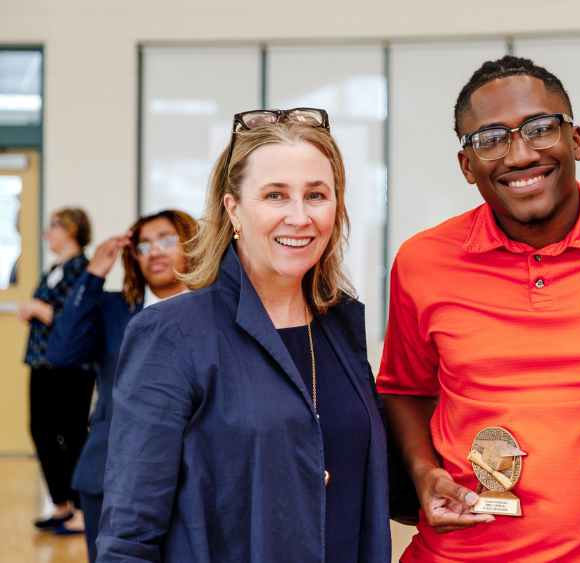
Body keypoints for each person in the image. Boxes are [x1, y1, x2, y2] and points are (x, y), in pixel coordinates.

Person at [377, 56, 580, 562]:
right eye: (491, 139)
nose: (520, 154)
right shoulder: (422, 262)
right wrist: (421, 472)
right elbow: (404, 389)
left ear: (577, 141)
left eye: (540, 128)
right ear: (466, 165)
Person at [96, 109, 392, 563]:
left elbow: (358, 472)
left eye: (316, 194)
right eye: (275, 195)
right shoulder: (173, 334)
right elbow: (129, 535)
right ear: (233, 208)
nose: (299, 217)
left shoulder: (339, 324)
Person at [47, 209, 197, 563]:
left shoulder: (217, 309)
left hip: (196, 475)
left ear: (193, 246)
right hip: (109, 472)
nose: (155, 251)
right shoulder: (115, 308)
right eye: (143, 246)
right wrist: (95, 271)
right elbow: (62, 352)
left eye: (166, 240)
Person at [17, 207, 96, 535]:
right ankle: (61, 503)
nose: (46, 231)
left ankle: (81, 509)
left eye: (53, 225)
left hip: (71, 367)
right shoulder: (55, 269)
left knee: (72, 434)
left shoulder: (84, 270)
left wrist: (38, 308)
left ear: (72, 229)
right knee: (41, 431)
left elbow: (75, 317)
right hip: (42, 363)